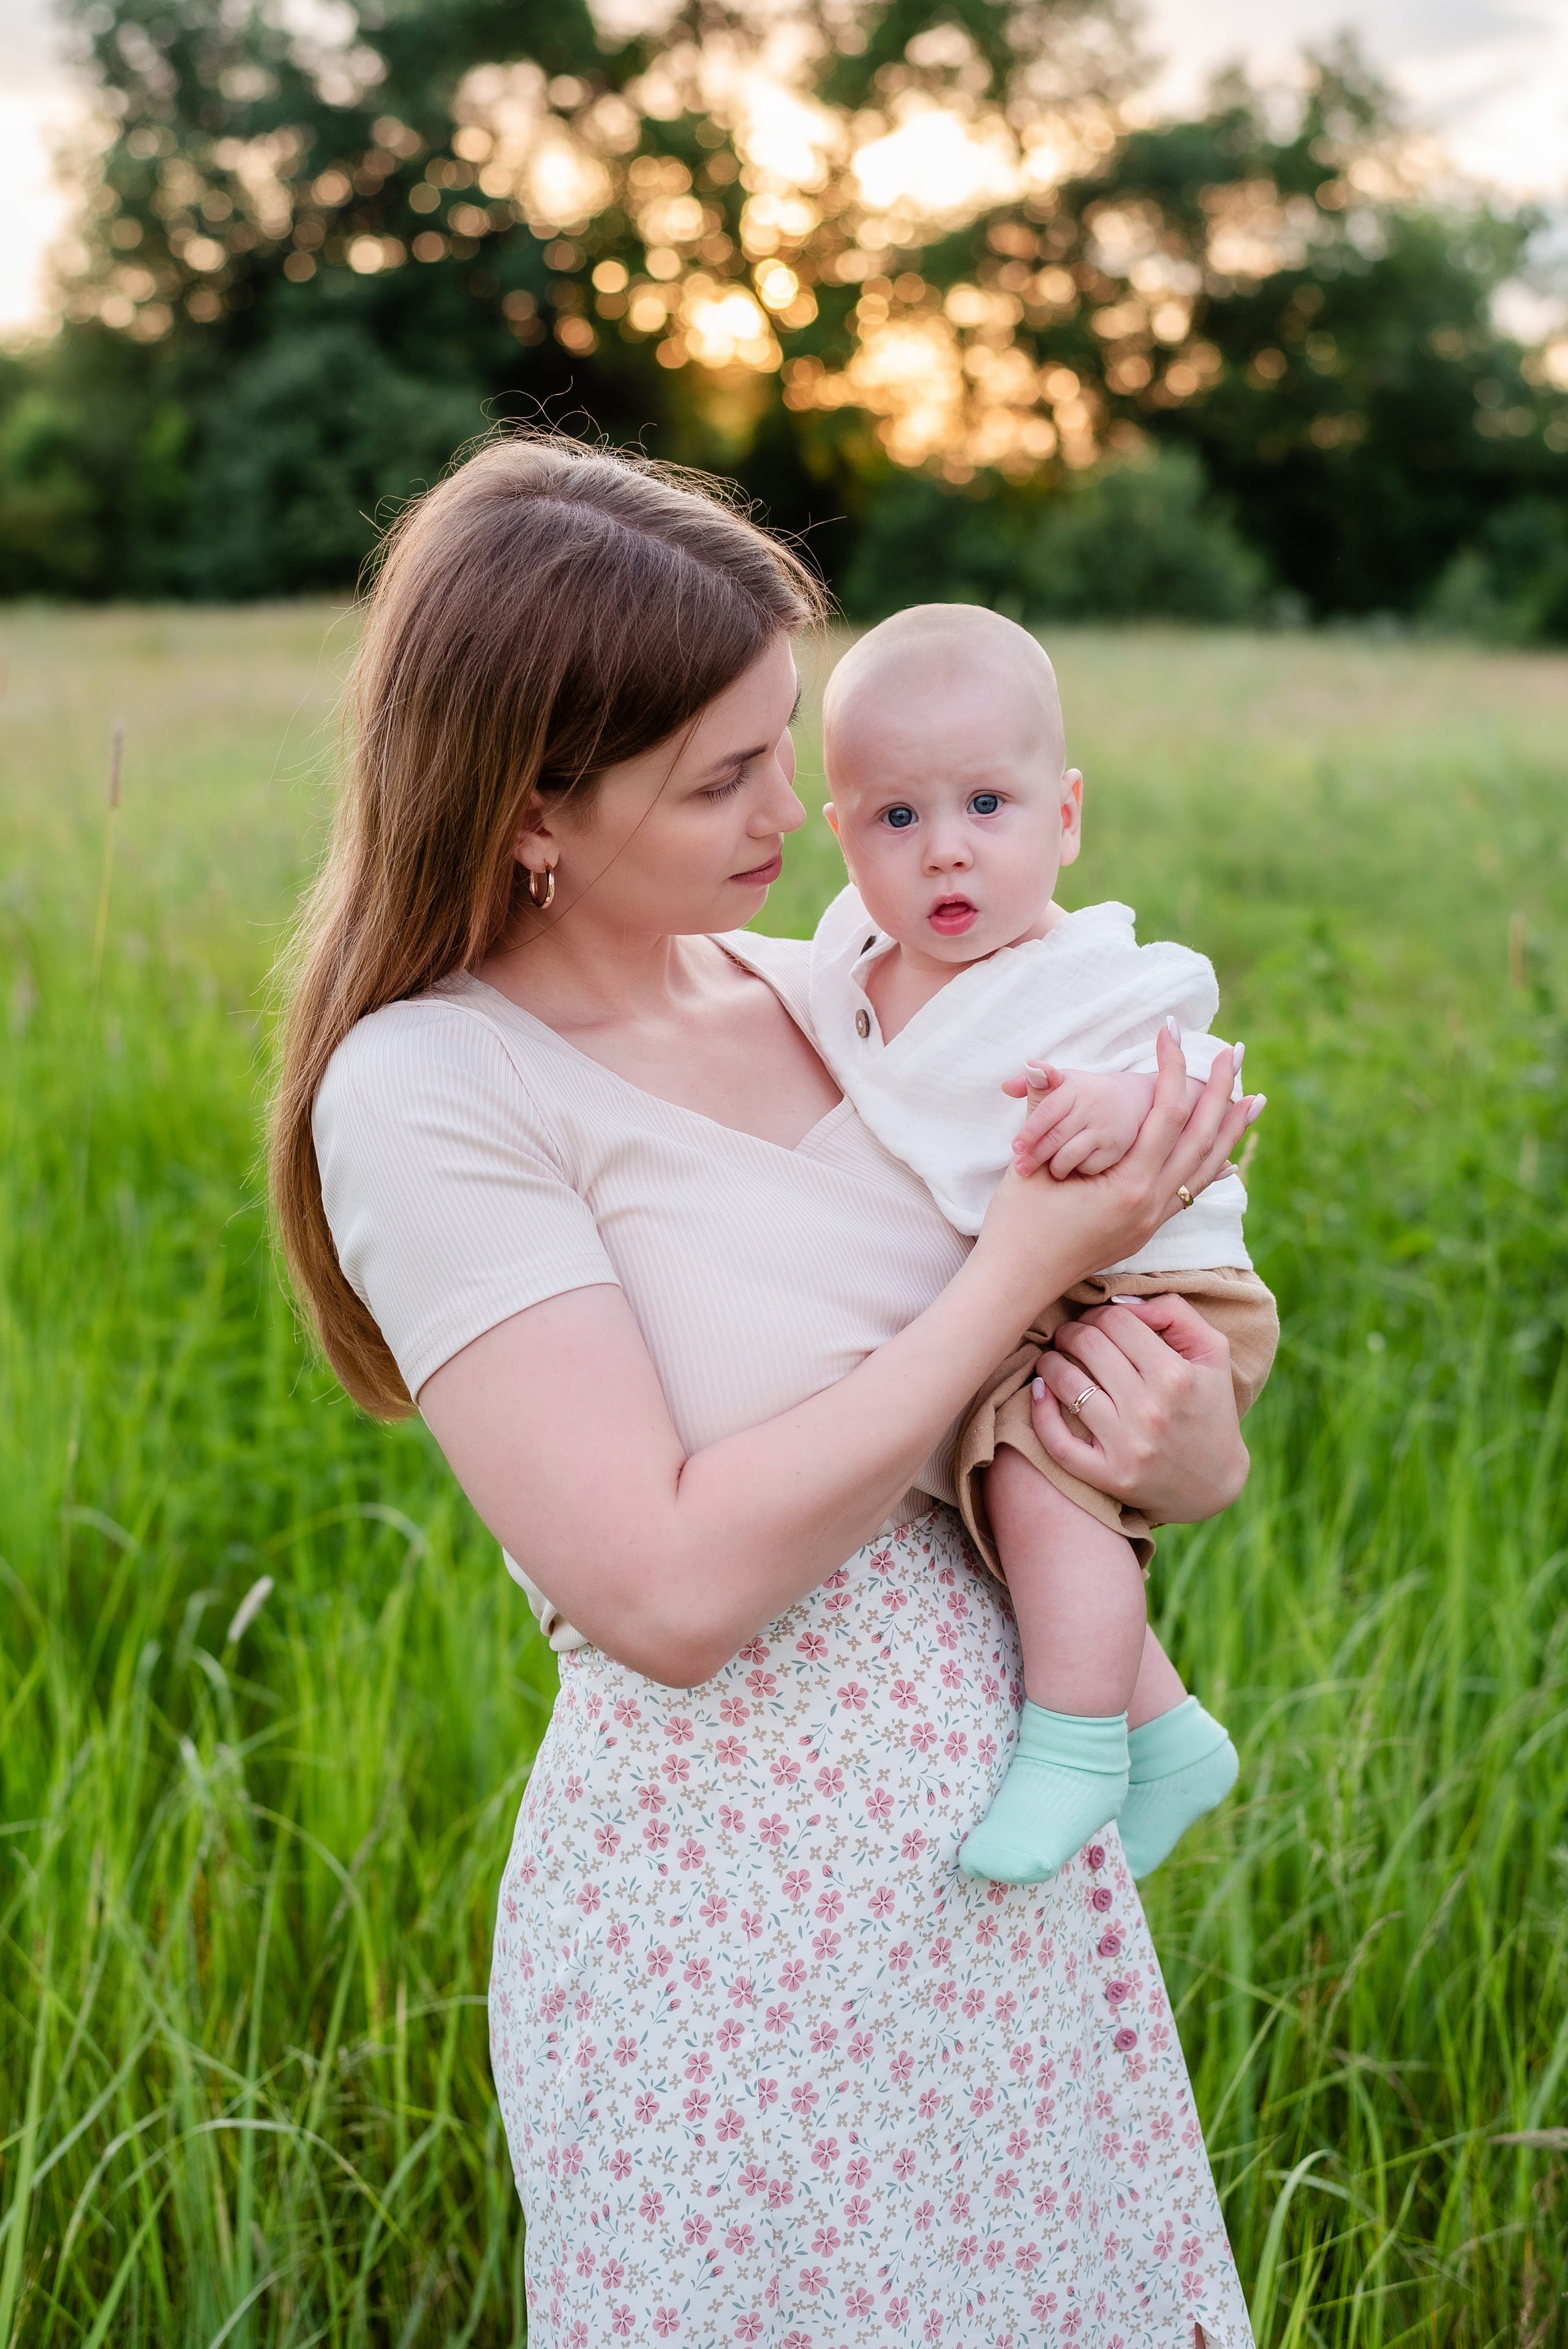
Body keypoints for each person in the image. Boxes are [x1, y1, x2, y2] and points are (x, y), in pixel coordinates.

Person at [271, 432, 1263, 2347]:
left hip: (1006, 1887)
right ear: (530, 807)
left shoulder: (820, 986)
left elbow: (1114, 1380)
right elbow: (662, 1591)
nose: (799, 814)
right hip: (727, 1934)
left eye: (781, 746)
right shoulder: (435, 1088)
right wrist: (1022, 1275)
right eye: (724, 775)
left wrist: (1182, 1433)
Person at [808, 605, 1276, 1888]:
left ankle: (1077, 1746)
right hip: (1042, 1297)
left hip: (1156, 1294)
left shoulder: (1094, 975)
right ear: (839, 835)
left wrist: (1125, 1104)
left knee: (1029, 1473)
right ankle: (1167, 1730)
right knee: (1004, 1476)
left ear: (1064, 817)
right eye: (895, 819)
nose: (944, 852)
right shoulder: (845, 970)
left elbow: (1207, 1081)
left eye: (986, 806)